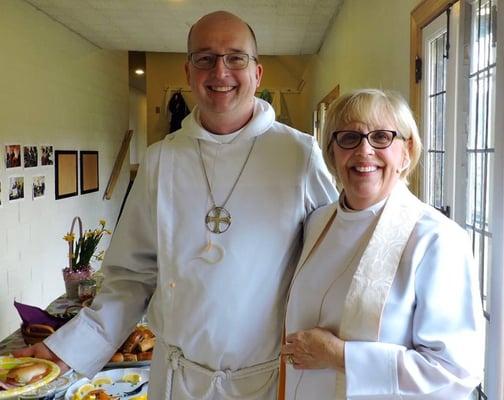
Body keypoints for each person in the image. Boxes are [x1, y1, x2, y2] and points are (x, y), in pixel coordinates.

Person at [14, 11, 337, 400]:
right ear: (188, 73)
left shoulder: (298, 154)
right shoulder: (160, 160)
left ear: (258, 73)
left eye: (236, 57)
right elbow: (130, 279)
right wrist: (65, 350)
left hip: (269, 379)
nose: (220, 72)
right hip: (178, 380)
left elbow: (332, 262)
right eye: (205, 58)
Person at [280, 88, 484, 399]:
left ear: (407, 150)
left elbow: (454, 371)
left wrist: (340, 356)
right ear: (332, 151)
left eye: (382, 137)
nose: (364, 151)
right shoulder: (318, 222)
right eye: (349, 138)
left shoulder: (436, 239)